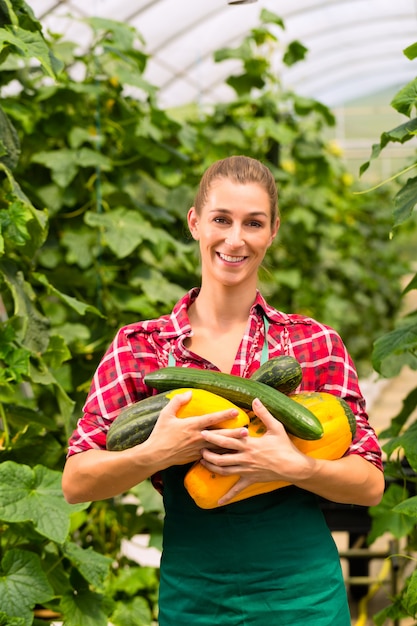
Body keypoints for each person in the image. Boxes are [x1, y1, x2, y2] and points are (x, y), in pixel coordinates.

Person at [62, 155, 384, 625]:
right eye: (221, 219)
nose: (235, 239)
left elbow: (370, 484)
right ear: (195, 223)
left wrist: (296, 466)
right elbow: (76, 482)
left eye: (253, 222)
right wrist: (155, 454)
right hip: (196, 602)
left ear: (272, 231)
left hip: (304, 601)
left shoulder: (313, 344)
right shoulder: (142, 348)